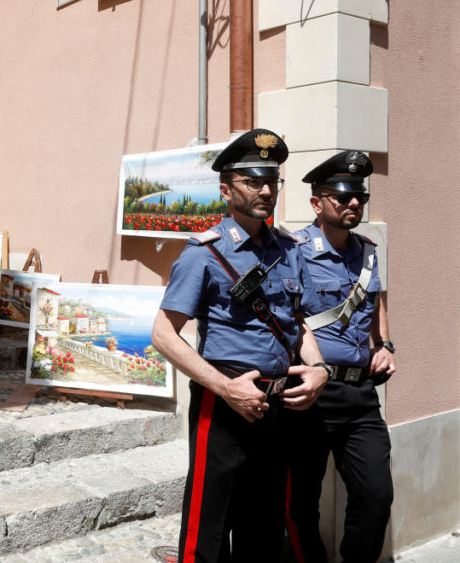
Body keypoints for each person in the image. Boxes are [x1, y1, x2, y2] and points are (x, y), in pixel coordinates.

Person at [151, 128, 332, 562]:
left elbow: (299, 323)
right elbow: (162, 334)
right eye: (254, 181)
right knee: (209, 522)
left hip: (279, 404)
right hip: (225, 402)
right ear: (226, 189)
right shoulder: (203, 254)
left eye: (272, 181)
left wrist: (320, 368)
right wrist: (225, 388)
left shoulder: (289, 250)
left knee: (263, 525)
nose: (266, 190)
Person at [285, 150, 394, 563]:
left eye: (359, 198)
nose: (353, 204)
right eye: (341, 197)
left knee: (377, 494)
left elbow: (376, 303)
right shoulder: (293, 250)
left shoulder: (368, 251)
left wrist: (384, 346)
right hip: (312, 395)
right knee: (301, 503)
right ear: (317, 202)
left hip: (361, 394)